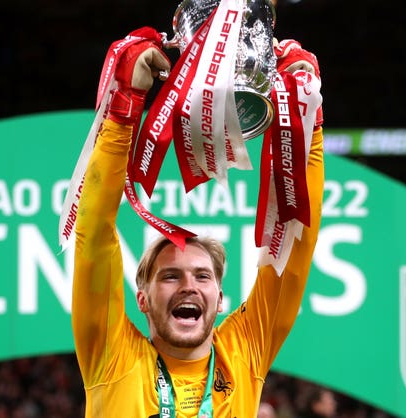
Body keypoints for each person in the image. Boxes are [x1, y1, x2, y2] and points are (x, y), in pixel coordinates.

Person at [70, 23, 325, 418]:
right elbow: (94, 234)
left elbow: (295, 243)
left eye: (203, 276)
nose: (189, 286)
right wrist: (124, 105)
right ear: (142, 299)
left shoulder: (244, 351)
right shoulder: (111, 352)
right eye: (170, 276)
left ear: (220, 299)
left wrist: (306, 123)